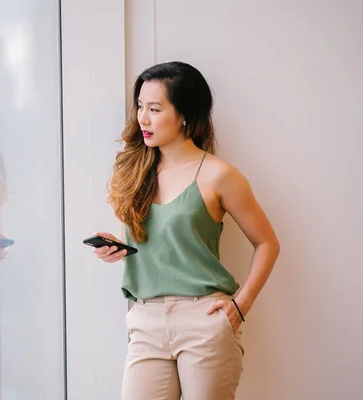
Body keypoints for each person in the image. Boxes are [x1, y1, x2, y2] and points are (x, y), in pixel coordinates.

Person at [91, 61, 280, 400]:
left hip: (204, 318)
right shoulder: (137, 173)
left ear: (184, 115)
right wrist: (121, 250)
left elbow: (267, 242)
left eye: (155, 108)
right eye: (139, 107)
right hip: (145, 319)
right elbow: (166, 247)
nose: (143, 119)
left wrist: (241, 305)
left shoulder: (219, 175)